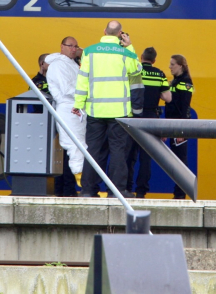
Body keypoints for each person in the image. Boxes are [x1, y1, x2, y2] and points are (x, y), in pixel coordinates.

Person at [74, 21, 143, 198]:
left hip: (95, 111)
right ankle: (116, 191)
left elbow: (82, 79)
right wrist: (130, 47)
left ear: (104, 31)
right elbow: (137, 71)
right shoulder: (125, 53)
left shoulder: (89, 52)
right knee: (118, 151)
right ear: (120, 34)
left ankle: (88, 190)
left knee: (94, 150)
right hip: (119, 112)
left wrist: (78, 104)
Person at [126, 47, 172, 198]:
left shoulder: (135, 70)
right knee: (146, 158)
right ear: (154, 60)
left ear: (141, 57)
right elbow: (167, 98)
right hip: (151, 118)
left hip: (133, 117)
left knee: (129, 154)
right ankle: (141, 191)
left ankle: (126, 187)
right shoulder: (160, 74)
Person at [46, 37, 85, 190]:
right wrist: (86, 94)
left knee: (79, 144)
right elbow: (66, 89)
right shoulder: (58, 65)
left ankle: (80, 181)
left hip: (76, 107)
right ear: (62, 46)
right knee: (74, 144)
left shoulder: (72, 64)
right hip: (69, 108)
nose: (74, 49)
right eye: (70, 46)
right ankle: (80, 180)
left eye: (76, 46)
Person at [165, 54, 194, 199]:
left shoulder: (186, 82)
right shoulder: (175, 81)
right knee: (175, 159)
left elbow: (184, 106)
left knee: (180, 160)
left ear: (180, 66)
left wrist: (182, 129)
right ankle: (178, 192)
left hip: (179, 126)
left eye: (172, 64)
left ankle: (180, 194)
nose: (169, 67)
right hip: (172, 125)